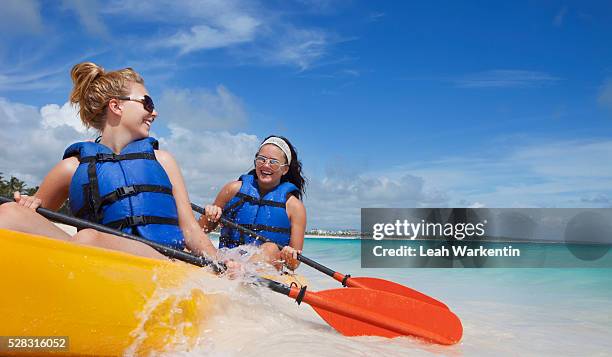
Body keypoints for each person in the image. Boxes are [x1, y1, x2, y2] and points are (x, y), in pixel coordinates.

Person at [0, 62, 217, 260]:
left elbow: (190, 230)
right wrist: (29, 205)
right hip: (94, 260)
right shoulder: (71, 167)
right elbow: (37, 221)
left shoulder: (163, 160)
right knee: (10, 214)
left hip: (162, 264)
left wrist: (219, 264)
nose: (155, 112)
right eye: (147, 103)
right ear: (116, 106)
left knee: (88, 240)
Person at [199, 135, 307, 270]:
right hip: (227, 261)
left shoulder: (294, 207)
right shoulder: (233, 189)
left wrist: (289, 256)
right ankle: (234, 270)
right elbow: (200, 230)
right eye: (261, 159)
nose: (266, 165)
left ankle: (242, 271)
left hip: (265, 271)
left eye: (273, 162)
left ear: (285, 169)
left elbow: (293, 265)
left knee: (271, 247)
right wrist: (209, 214)